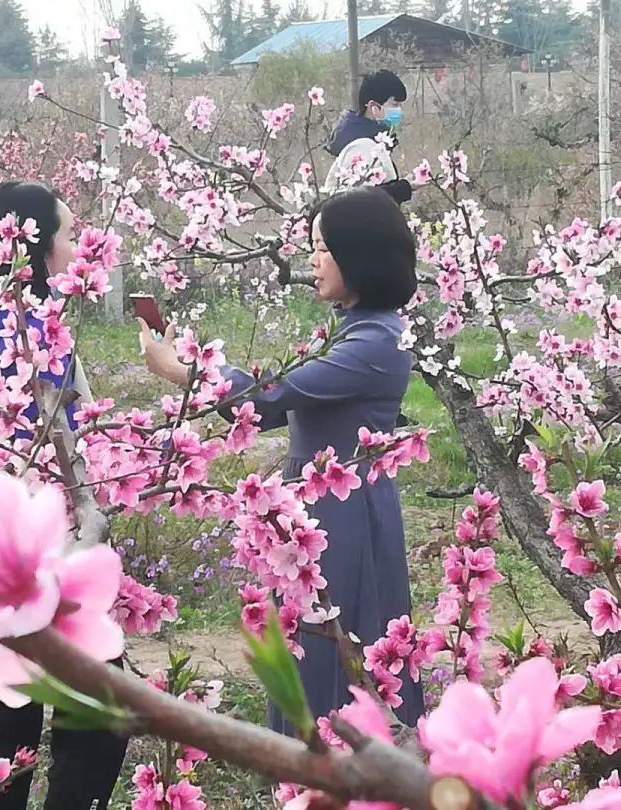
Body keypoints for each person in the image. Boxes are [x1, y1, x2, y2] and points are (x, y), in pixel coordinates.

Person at [138, 187, 424, 732]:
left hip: (341, 511)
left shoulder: (375, 342)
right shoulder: (359, 331)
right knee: (309, 642)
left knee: (333, 648)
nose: (312, 261)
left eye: (322, 248)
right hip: (320, 504)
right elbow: (275, 406)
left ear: (357, 254)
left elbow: (270, 395)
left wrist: (182, 371)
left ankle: (335, 771)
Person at [0, 181, 129, 809]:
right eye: (69, 235)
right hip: (32, 540)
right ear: (32, 244)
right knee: (92, 702)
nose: (76, 248)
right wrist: (86, 514)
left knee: (11, 707)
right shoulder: (21, 327)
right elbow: (47, 434)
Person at [325, 69, 413, 204]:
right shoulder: (361, 145)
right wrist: (404, 188)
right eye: (395, 104)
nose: (399, 110)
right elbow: (360, 199)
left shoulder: (369, 139)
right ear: (373, 106)